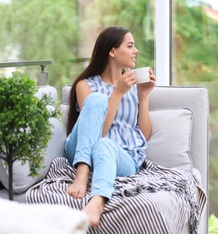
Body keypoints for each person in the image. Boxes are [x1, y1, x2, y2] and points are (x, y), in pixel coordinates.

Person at [64, 26, 156, 227]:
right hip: (82, 151)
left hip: (119, 158)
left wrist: (143, 95)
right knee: (96, 100)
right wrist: (117, 93)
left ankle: (97, 201)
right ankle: (82, 172)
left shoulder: (133, 87)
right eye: (130, 46)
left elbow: (144, 135)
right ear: (112, 51)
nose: (136, 51)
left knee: (104, 145)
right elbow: (97, 132)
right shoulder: (85, 85)